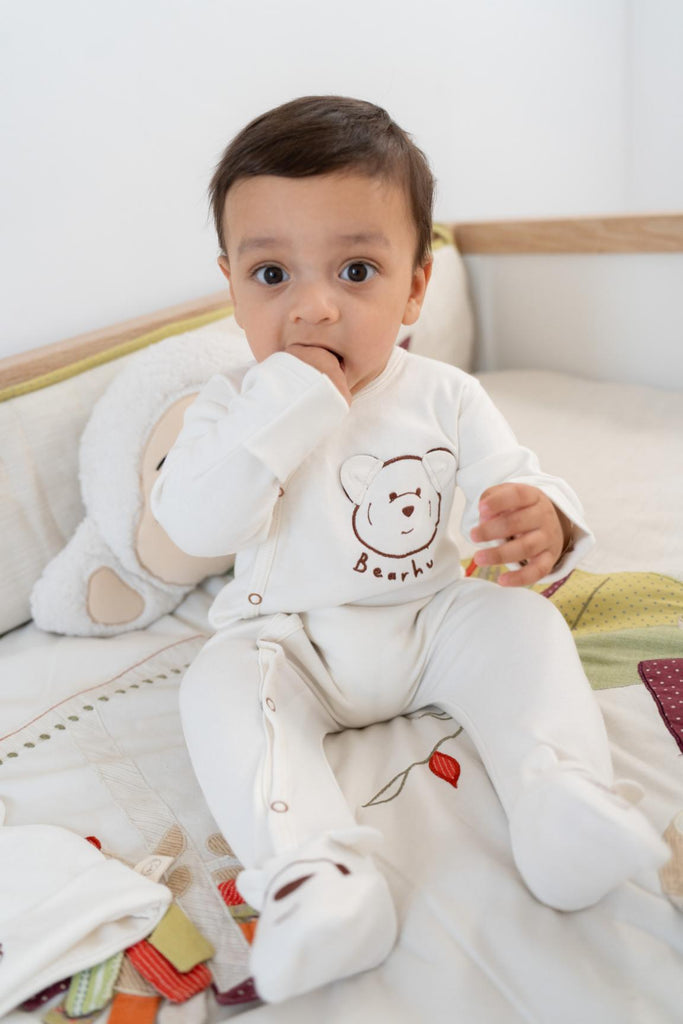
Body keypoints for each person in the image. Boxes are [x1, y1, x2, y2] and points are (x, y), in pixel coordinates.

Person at [151, 96, 668, 1003]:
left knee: (517, 625)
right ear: (232, 288)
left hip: (427, 621)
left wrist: (542, 519)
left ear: (416, 288)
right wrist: (285, 406)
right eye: (272, 274)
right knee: (217, 688)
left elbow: (513, 479)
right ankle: (316, 876)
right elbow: (194, 526)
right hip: (290, 643)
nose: (313, 307)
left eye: (355, 270)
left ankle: (558, 802)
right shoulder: (228, 408)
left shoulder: (445, 394)